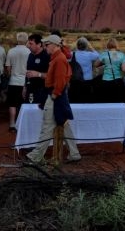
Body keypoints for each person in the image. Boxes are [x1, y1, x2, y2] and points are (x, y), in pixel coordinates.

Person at [25, 34, 81, 165]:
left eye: (47, 44)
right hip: (57, 96)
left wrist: (54, 95)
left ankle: (35, 156)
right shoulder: (56, 58)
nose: (45, 47)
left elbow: (61, 80)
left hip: (55, 96)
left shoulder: (59, 59)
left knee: (47, 126)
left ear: (55, 45)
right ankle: (74, 153)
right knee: (63, 123)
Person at [5, 32, 30, 132]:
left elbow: (8, 68)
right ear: (27, 41)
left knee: (12, 104)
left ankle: (12, 124)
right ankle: (22, 124)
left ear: (17, 40)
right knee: (23, 103)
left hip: (13, 81)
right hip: (25, 82)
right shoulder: (29, 52)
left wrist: (10, 74)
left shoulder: (11, 51)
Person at [94, 37, 125, 104]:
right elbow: (124, 69)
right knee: (117, 101)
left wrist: (105, 63)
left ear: (108, 45)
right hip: (117, 80)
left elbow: (95, 64)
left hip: (106, 80)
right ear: (116, 45)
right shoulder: (121, 55)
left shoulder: (104, 54)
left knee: (107, 100)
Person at [70, 37, 100, 103]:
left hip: (75, 80)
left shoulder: (72, 54)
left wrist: (73, 47)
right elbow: (98, 55)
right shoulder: (90, 55)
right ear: (86, 46)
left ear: (77, 45)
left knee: (75, 101)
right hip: (87, 81)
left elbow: (67, 55)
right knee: (86, 100)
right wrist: (91, 47)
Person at [25, 33, 49, 106]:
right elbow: (28, 73)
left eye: (31, 44)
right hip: (30, 90)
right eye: (28, 43)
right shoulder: (30, 55)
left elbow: (52, 76)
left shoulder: (46, 56)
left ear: (39, 44)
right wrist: (24, 87)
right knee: (29, 110)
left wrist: (38, 74)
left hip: (43, 91)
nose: (28, 46)